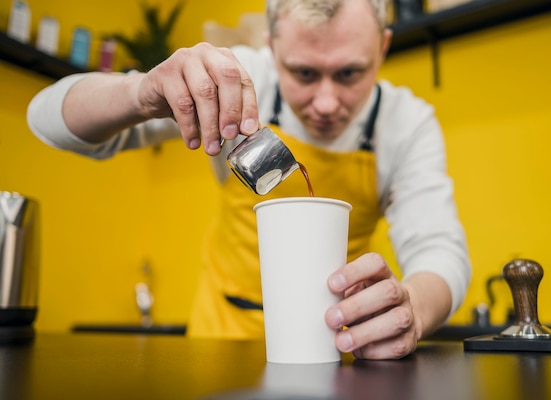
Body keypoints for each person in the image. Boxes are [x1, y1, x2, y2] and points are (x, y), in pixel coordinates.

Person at [27, 0, 471, 360]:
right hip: (217, 346)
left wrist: (412, 306)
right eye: (303, 73)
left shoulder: (406, 123)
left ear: (383, 47)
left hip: (334, 351)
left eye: (350, 73)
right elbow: (45, 118)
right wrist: (139, 93)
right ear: (271, 45)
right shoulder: (234, 82)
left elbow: (439, 250)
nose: (326, 102)